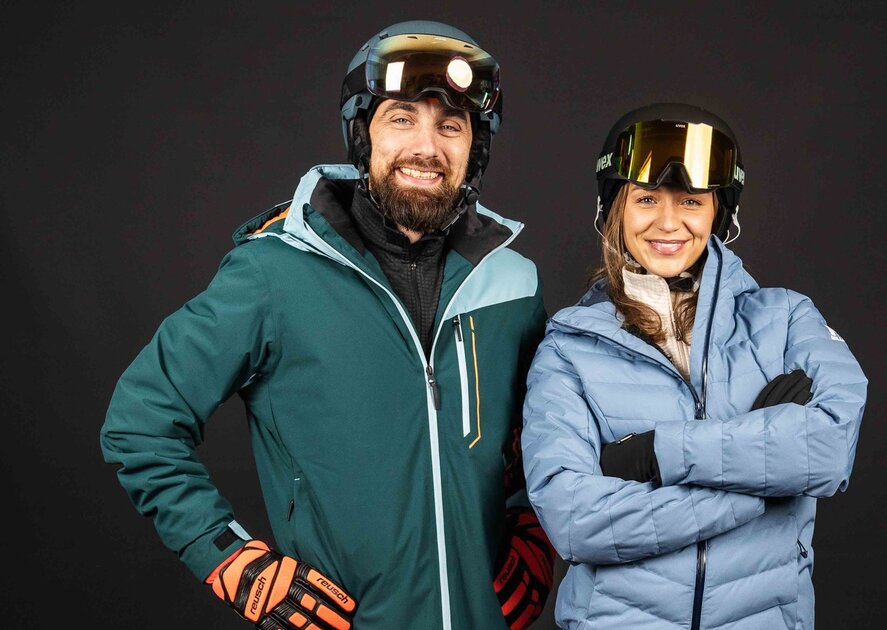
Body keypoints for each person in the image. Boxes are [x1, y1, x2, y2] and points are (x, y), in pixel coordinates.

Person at [100, 20, 555, 630]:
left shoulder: (514, 286)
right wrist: (231, 560)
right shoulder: (272, 276)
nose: (427, 146)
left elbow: (549, 442)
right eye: (401, 118)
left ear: (476, 146)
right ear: (362, 134)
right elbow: (140, 421)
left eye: (451, 126)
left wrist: (535, 533)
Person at [520, 102, 868, 629]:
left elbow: (827, 450)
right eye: (645, 199)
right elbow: (576, 521)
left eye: (690, 200)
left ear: (718, 212)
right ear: (614, 209)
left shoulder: (787, 320)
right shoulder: (568, 351)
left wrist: (659, 453)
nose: (668, 222)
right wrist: (764, 483)